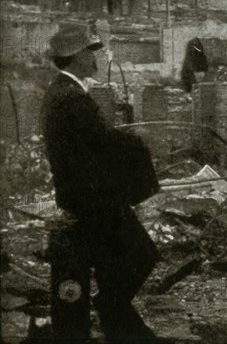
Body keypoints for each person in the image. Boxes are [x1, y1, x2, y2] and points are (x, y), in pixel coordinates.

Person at [40, 25, 165, 342]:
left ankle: (120, 325)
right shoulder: (71, 98)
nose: (93, 57)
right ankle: (111, 310)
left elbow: (92, 145)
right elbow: (99, 146)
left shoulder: (64, 92)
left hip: (84, 198)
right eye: (88, 51)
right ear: (75, 57)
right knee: (142, 255)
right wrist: (137, 142)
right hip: (92, 202)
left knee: (115, 264)